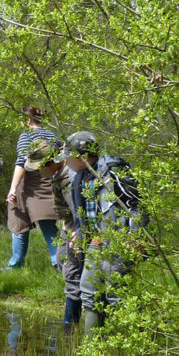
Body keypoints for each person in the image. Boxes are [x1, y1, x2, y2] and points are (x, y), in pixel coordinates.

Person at [62, 131, 148, 333]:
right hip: (96, 242)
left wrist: (135, 237)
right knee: (89, 291)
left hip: (119, 241)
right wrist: (79, 234)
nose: (66, 162)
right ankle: (93, 351)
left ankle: (129, 345)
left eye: (68, 157)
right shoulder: (79, 176)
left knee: (117, 294)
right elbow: (84, 212)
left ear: (82, 156)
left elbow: (137, 205)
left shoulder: (115, 171)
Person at [23, 138, 82, 330]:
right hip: (68, 229)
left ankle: (70, 327)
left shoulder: (71, 178)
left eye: (40, 167)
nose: (39, 172)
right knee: (61, 264)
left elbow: (79, 213)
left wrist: (78, 236)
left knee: (73, 276)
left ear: (52, 161)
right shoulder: (59, 175)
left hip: (78, 232)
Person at [6, 106, 62, 268]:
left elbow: (22, 162)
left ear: (28, 120)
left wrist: (13, 188)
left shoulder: (26, 135)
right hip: (49, 182)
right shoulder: (52, 135)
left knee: (19, 223)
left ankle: (15, 264)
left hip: (29, 183)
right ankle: (59, 264)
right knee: (49, 225)